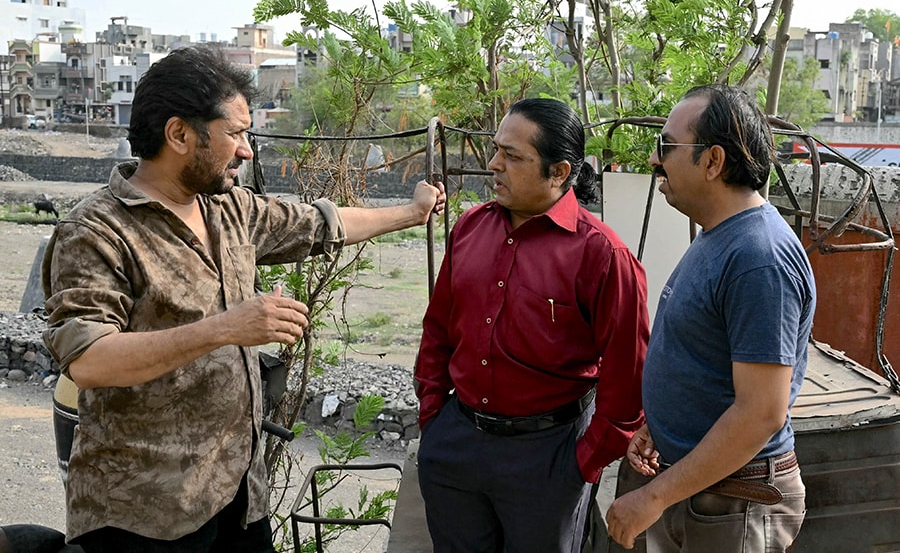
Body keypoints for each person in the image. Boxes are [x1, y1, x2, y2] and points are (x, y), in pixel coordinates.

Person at [41, 45, 445, 552]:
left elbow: (320, 224)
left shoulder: (227, 208)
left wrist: (410, 213)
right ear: (180, 134)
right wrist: (226, 328)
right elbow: (90, 360)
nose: (247, 150)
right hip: (144, 511)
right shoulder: (97, 230)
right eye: (235, 134)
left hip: (237, 496)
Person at [414, 97, 649, 552]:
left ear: (559, 172)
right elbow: (438, 331)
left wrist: (582, 465)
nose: (494, 164)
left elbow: (627, 383)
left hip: (548, 457)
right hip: (456, 443)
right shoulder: (469, 228)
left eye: (513, 156)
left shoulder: (603, 256)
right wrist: (433, 417)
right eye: (497, 149)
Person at [605, 84, 816, 552]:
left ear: (713, 161)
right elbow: (705, 356)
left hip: (736, 501)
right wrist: (662, 426)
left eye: (666, 147)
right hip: (705, 487)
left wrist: (653, 497)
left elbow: (761, 411)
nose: (656, 161)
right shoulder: (720, 236)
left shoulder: (759, 257)